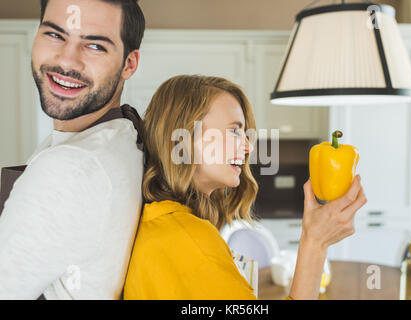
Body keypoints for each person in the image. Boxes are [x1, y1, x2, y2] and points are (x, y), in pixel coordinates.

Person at [123, 75, 368, 300]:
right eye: (234, 131)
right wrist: (315, 243)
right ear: (184, 138)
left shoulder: (165, 223)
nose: (249, 148)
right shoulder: (188, 238)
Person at [0, 0, 146, 299]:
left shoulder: (70, 167)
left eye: (95, 46)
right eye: (55, 35)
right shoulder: (123, 134)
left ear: (129, 64)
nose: (67, 61)